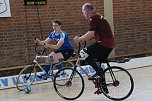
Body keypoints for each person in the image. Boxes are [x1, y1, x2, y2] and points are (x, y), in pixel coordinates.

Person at [74, 3, 115, 93]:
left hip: (104, 43)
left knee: (83, 53)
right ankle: (103, 88)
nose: (83, 14)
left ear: (87, 11)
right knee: (97, 63)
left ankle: (99, 72)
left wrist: (80, 39)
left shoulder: (93, 18)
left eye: (83, 12)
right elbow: (97, 33)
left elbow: (91, 33)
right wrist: (85, 38)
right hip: (109, 44)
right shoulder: (98, 16)